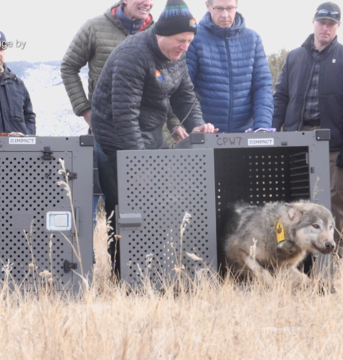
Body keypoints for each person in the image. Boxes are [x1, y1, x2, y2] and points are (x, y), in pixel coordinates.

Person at [91, 0, 218, 272]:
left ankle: (154, 270)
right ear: (161, 34)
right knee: (125, 208)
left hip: (150, 135)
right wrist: (140, 164)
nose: (185, 47)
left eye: (189, 40)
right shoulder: (133, 55)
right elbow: (124, 116)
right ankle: (122, 273)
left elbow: (186, 97)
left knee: (157, 206)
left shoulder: (177, 56)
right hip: (116, 139)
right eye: (180, 40)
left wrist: (199, 124)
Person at [61, 0, 185, 226]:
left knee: (154, 201)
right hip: (110, 130)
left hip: (149, 133)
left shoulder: (160, 33)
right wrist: (84, 110)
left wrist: (174, 124)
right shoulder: (94, 27)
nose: (147, 2)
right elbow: (68, 66)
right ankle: (118, 257)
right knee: (117, 201)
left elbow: (167, 87)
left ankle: (149, 259)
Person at [273, 2, 343, 258]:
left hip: (334, 142)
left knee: (336, 200)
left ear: (338, 27)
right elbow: (280, 96)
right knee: (294, 200)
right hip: (296, 138)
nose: (326, 28)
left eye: (331, 24)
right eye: (322, 22)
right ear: (313, 22)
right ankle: (292, 256)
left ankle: (335, 256)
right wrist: (272, 131)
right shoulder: (294, 57)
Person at [186, 0, 273, 132]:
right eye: (219, 9)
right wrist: (196, 124)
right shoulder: (194, 39)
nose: (225, 15)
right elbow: (185, 87)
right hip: (206, 133)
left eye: (230, 8)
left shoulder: (253, 39)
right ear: (208, 6)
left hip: (245, 134)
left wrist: (262, 126)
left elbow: (263, 86)